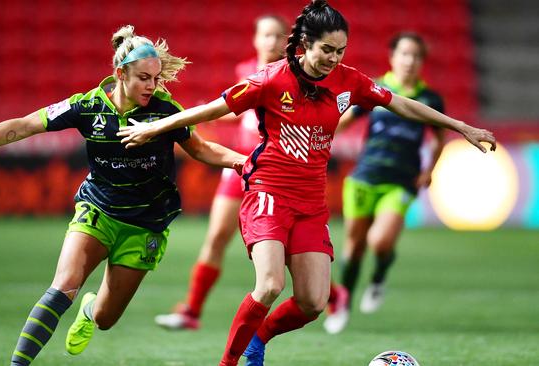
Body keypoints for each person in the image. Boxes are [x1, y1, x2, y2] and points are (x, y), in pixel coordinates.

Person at [117, 1, 496, 365]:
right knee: (268, 285)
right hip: (268, 191)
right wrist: (157, 126)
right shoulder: (272, 78)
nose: (334, 58)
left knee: (313, 302)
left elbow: (401, 103)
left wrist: (460, 126)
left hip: (311, 202)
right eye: (327, 49)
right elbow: (214, 107)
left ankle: (258, 340)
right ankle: (229, 362)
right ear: (305, 45)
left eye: (341, 50)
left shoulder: (350, 81)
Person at [0, 25, 245, 366]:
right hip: (97, 211)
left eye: (156, 79)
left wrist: (242, 162)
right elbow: (28, 124)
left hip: (145, 225)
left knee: (105, 319)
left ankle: (90, 309)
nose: (152, 86)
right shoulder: (86, 106)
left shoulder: (165, 111)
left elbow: (201, 149)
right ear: (120, 73)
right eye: (144, 78)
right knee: (63, 286)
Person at [154, 14, 289, 331]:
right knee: (216, 238)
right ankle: (192, 311)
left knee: (290, 252)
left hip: (274, 172)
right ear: (255, 39)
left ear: (288, 42)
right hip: (239, 164)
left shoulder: (291, 75)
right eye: (266, 35)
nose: (272, 41)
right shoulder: (245, 71)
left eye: (279, 36)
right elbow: (245, 114)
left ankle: (330, 294)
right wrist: (215, 115)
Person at [323, 32, 446, 335]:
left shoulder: (430, 99)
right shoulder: (375, 89)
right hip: (365, 177)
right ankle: (343, 305)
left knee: (380, 241)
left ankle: (378, 277)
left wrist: (430, 169)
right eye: (404, 54)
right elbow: (342, 121)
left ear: (421, 62)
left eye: (415, 56)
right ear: (393, 57)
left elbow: (439, 138)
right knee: (353, 247)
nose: (409, 61)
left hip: (401, 182)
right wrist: (316, 136)